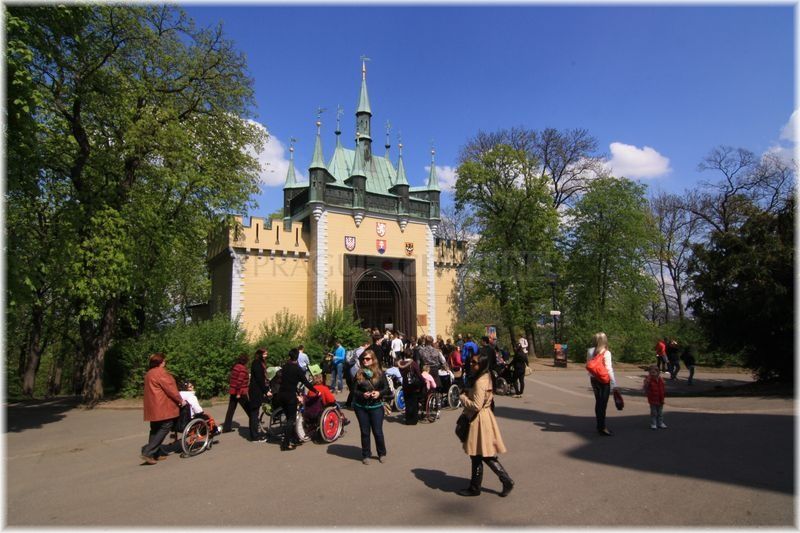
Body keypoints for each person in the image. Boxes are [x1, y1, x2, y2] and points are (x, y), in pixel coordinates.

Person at [456, 351, 514, 497]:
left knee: (481, 454)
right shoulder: (485, 376)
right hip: (483, 417)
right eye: (471, 362)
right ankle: (476, 486)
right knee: (478, 455)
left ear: (481, 364)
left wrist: (462, 397)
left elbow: (476, 405)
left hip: (478, 419)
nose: (471, 364)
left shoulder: (480, 381)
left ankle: (504, 480)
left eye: (475, 363)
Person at [141, 353, 186, 465]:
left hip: (152, 406)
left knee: (155, 428)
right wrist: (180, 400)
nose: (165, 362)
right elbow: (171, 389)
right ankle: (148, 452)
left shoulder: (149, 373)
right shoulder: (162, 373)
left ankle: (154, 454)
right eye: (164, 361)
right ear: (160, 362)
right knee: (166, 425)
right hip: (162, 405)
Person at [274, 348, 317, 451]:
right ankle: (286, 444)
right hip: (290, 396)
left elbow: (283, 380)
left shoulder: (284, 367)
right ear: (297, 357)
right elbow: (306, 382)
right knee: (291, 419)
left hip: (281, 395)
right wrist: (315, 391)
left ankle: (292, 437)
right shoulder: (297, 369)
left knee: (288, 418)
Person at [352, 349, 389, 464]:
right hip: (361, 407)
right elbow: (354, 391)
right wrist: (362, 394)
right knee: (365, 432)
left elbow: (386, 388)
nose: (365, 361)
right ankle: (366, 454)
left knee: (377, 431)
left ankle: (382, 453)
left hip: (376, 406)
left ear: (373, 360)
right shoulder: (359, 373)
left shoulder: (380, 373)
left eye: (367, 359)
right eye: (363, 359)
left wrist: (379, 393)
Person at [586, 332, 618, 436]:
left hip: (594, 379)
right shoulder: (606, 352)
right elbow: (609, 369)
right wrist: (614, 384)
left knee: (598, 402)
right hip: (604, 380)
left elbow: (589, 364)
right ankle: (602, 427)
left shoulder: (590, 351)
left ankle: (599, 425)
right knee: (603, 404)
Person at [248, 347, 272, 441]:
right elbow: (259, 379)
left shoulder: (258, 363)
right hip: (255, 390)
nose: (266, 355)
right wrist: (266, 391)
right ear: (260, 354)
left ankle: (254, 433)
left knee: (255, 412)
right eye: (265, 354)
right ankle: (254, 436)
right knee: (254, 413)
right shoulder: (257, 364)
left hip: (256, 390)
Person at [222, 354, 250, 433]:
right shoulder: (242, 369)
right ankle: (255, 423)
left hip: (233, 391)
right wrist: (238, 393)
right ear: (245, 361)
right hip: (240, 392)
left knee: (231, 410)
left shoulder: (236, 367)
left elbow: (232, 379)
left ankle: (226, 428)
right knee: (248, 408)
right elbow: (239, 382)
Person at [397, 355, 422, 425]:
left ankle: (408, 420)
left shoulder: (401, 363)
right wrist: (422, 381)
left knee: (407, 402)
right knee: (413, 402)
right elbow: (418, 374)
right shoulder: (413, 363)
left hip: (405, 383)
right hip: (412, 384)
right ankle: (413, 420)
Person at [643, 364, 667, 430]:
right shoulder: (648, 379)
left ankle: (660, 423)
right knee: (654, 413)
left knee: (660, 412)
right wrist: (647, 382)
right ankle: (653, 424)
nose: (653, 374)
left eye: (654, 372)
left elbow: (663, 388)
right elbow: (645, 387)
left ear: (658, 372)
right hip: (653, 399)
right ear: (649, 372)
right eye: (651, 372)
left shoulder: (660, 379)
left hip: (660, 398)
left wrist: (664, 394)